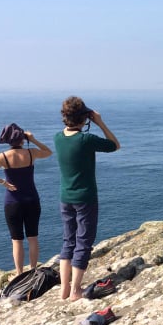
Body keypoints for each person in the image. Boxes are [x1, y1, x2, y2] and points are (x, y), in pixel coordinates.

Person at [54, 97, 120, 300]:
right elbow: (114, 145)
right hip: (85, 197)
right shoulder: (85, 139)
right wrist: (100, 123)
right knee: (83, 242)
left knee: (68, 241)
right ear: (84, 118)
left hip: (65, 197)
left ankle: (64, 289)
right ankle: (76, 291)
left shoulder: (58, 138)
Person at [0, 123, 53, 276]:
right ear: (23, 138)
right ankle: (33, 270)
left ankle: (19, 273)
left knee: (16, 240)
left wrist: (4, 183)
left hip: (13, 202)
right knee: (33, 238)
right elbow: (48, 152)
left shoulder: (2, 157)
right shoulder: (31, 153)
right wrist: (33, 140)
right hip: (32, 199)